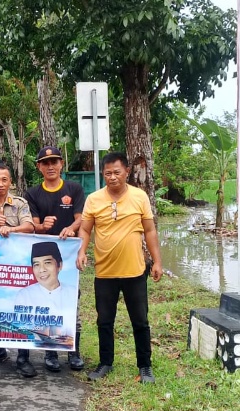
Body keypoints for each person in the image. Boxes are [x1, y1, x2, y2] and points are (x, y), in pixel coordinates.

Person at [76, 152, 163, 383]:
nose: (112, 177)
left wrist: (157, 261)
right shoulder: (94, 199)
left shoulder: (139, 196)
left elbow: (149, 230)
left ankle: (145, 366)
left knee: (140, 321)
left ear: (126, 172)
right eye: (108, 173)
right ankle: (105, 363)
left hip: (135, 271)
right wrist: (82, 251)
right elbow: (85, 229)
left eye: (116, 172)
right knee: (104, 321)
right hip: (105, 272)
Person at [24, 145, 85, 372]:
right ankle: (51, 352)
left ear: (61, 164)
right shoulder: (32, 194)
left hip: (67, 256)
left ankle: (73, 352)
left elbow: (81, 218)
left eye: (54, 162)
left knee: (70, 302)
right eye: (45, 163)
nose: (50, 166)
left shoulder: (74, 189)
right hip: (44, 254)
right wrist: (42, 226)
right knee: (47, 304)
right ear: (39, 167)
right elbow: (33, 226)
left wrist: (71, 228)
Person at [0, 161, 37, 377]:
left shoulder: (19, 203)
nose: (0, 184)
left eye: (4, 179)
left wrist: (10, 229)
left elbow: (30, 227)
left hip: (17, 264)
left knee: (20, 306)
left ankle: (23, 356)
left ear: (10, 182)